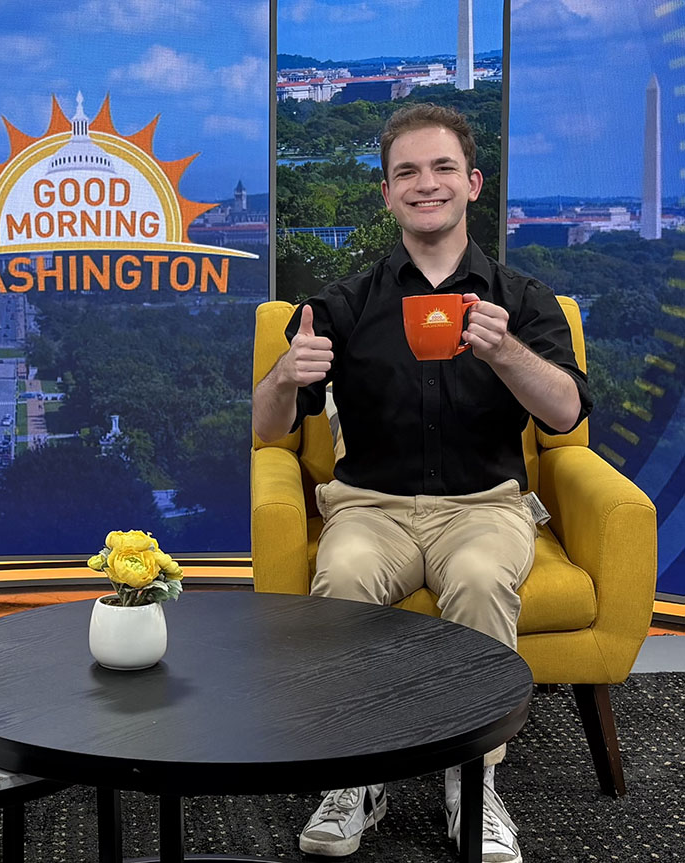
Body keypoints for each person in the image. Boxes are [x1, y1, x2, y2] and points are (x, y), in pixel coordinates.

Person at [253, 104, 591, 863]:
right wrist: (284, 375)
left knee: (477, 577)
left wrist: (506, 354)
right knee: (339, 574)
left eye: (442, 168)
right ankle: (355, 778)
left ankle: (472, 784)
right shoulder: (343, 304)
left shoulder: (524, 300)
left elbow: (567, 413)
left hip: (485, 505)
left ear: (472, 183)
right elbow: (268, 429)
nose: (425, 183)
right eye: (406, 171)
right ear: (387, 193)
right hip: (371, 505)